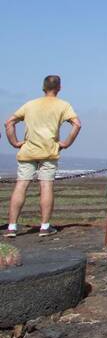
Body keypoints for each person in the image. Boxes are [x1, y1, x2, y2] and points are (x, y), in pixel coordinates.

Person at [4, 76, 81, 237]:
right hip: (49, 151)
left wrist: (14, 142)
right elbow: (77, 124)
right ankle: (45, 226)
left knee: (21, 185)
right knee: (46, 186)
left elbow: (9, 122)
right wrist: (66, 143)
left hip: (28, 150)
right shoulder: (63, 105)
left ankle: (12, 226)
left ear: (43, 87)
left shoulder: (30, 104)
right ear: (59, 88)